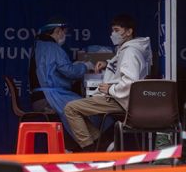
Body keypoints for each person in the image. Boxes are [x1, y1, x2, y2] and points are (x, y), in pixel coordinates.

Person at [63, 14, 152, 149]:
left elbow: (131, 83)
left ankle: (90, 149)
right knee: (76, 108)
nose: (113, 34)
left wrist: (110, 89)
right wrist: (107, 63)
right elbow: (122, 68)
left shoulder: (130, 52)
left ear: (129, 31)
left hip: (122, 100)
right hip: (125, 99)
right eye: (112, 30)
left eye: (117, 30)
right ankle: (103, 145)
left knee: (71, 109)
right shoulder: (128, 49)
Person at [30, 18, 89, 137]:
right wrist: (85, 66)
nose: (64, 35)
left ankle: (81, 146)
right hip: (49, 98)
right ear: (57, 31)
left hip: (41, 97)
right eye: (64, 32)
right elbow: (70, 72)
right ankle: (94, 144)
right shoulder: (53, 48)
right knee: (88, 109)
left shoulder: (39, 46)